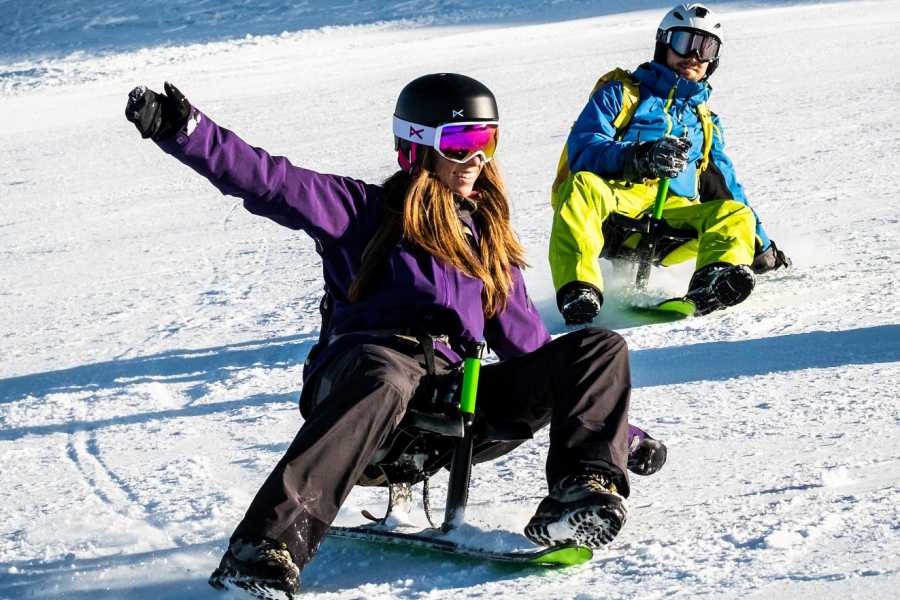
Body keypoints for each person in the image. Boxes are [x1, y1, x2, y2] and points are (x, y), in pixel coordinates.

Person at [125, 73, 666, 596]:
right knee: (387, 375)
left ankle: (580, 492)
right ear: (416, 148)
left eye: (486, 142)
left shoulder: (485, 244)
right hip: (360, 380)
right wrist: (185, 130)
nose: (476, 159)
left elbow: (534, 351)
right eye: (460, 144)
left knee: (598, 347)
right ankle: (263, 550)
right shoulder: (360, 211)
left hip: (450, 398)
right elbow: (269, 180)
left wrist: (625, 435)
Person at [548, 2, 791, 325]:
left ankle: (712, 283)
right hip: (618, 206)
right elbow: (584, 148)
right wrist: (641, 157)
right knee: (582, 186)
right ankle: (579, 291)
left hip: (673, 216)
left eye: (706, 48)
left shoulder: (705, 121)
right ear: (664, 44)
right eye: (684, 42)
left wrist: (761, 246)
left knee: (735, 214)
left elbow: (725, 186)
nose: (694, 55)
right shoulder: (621, 94)